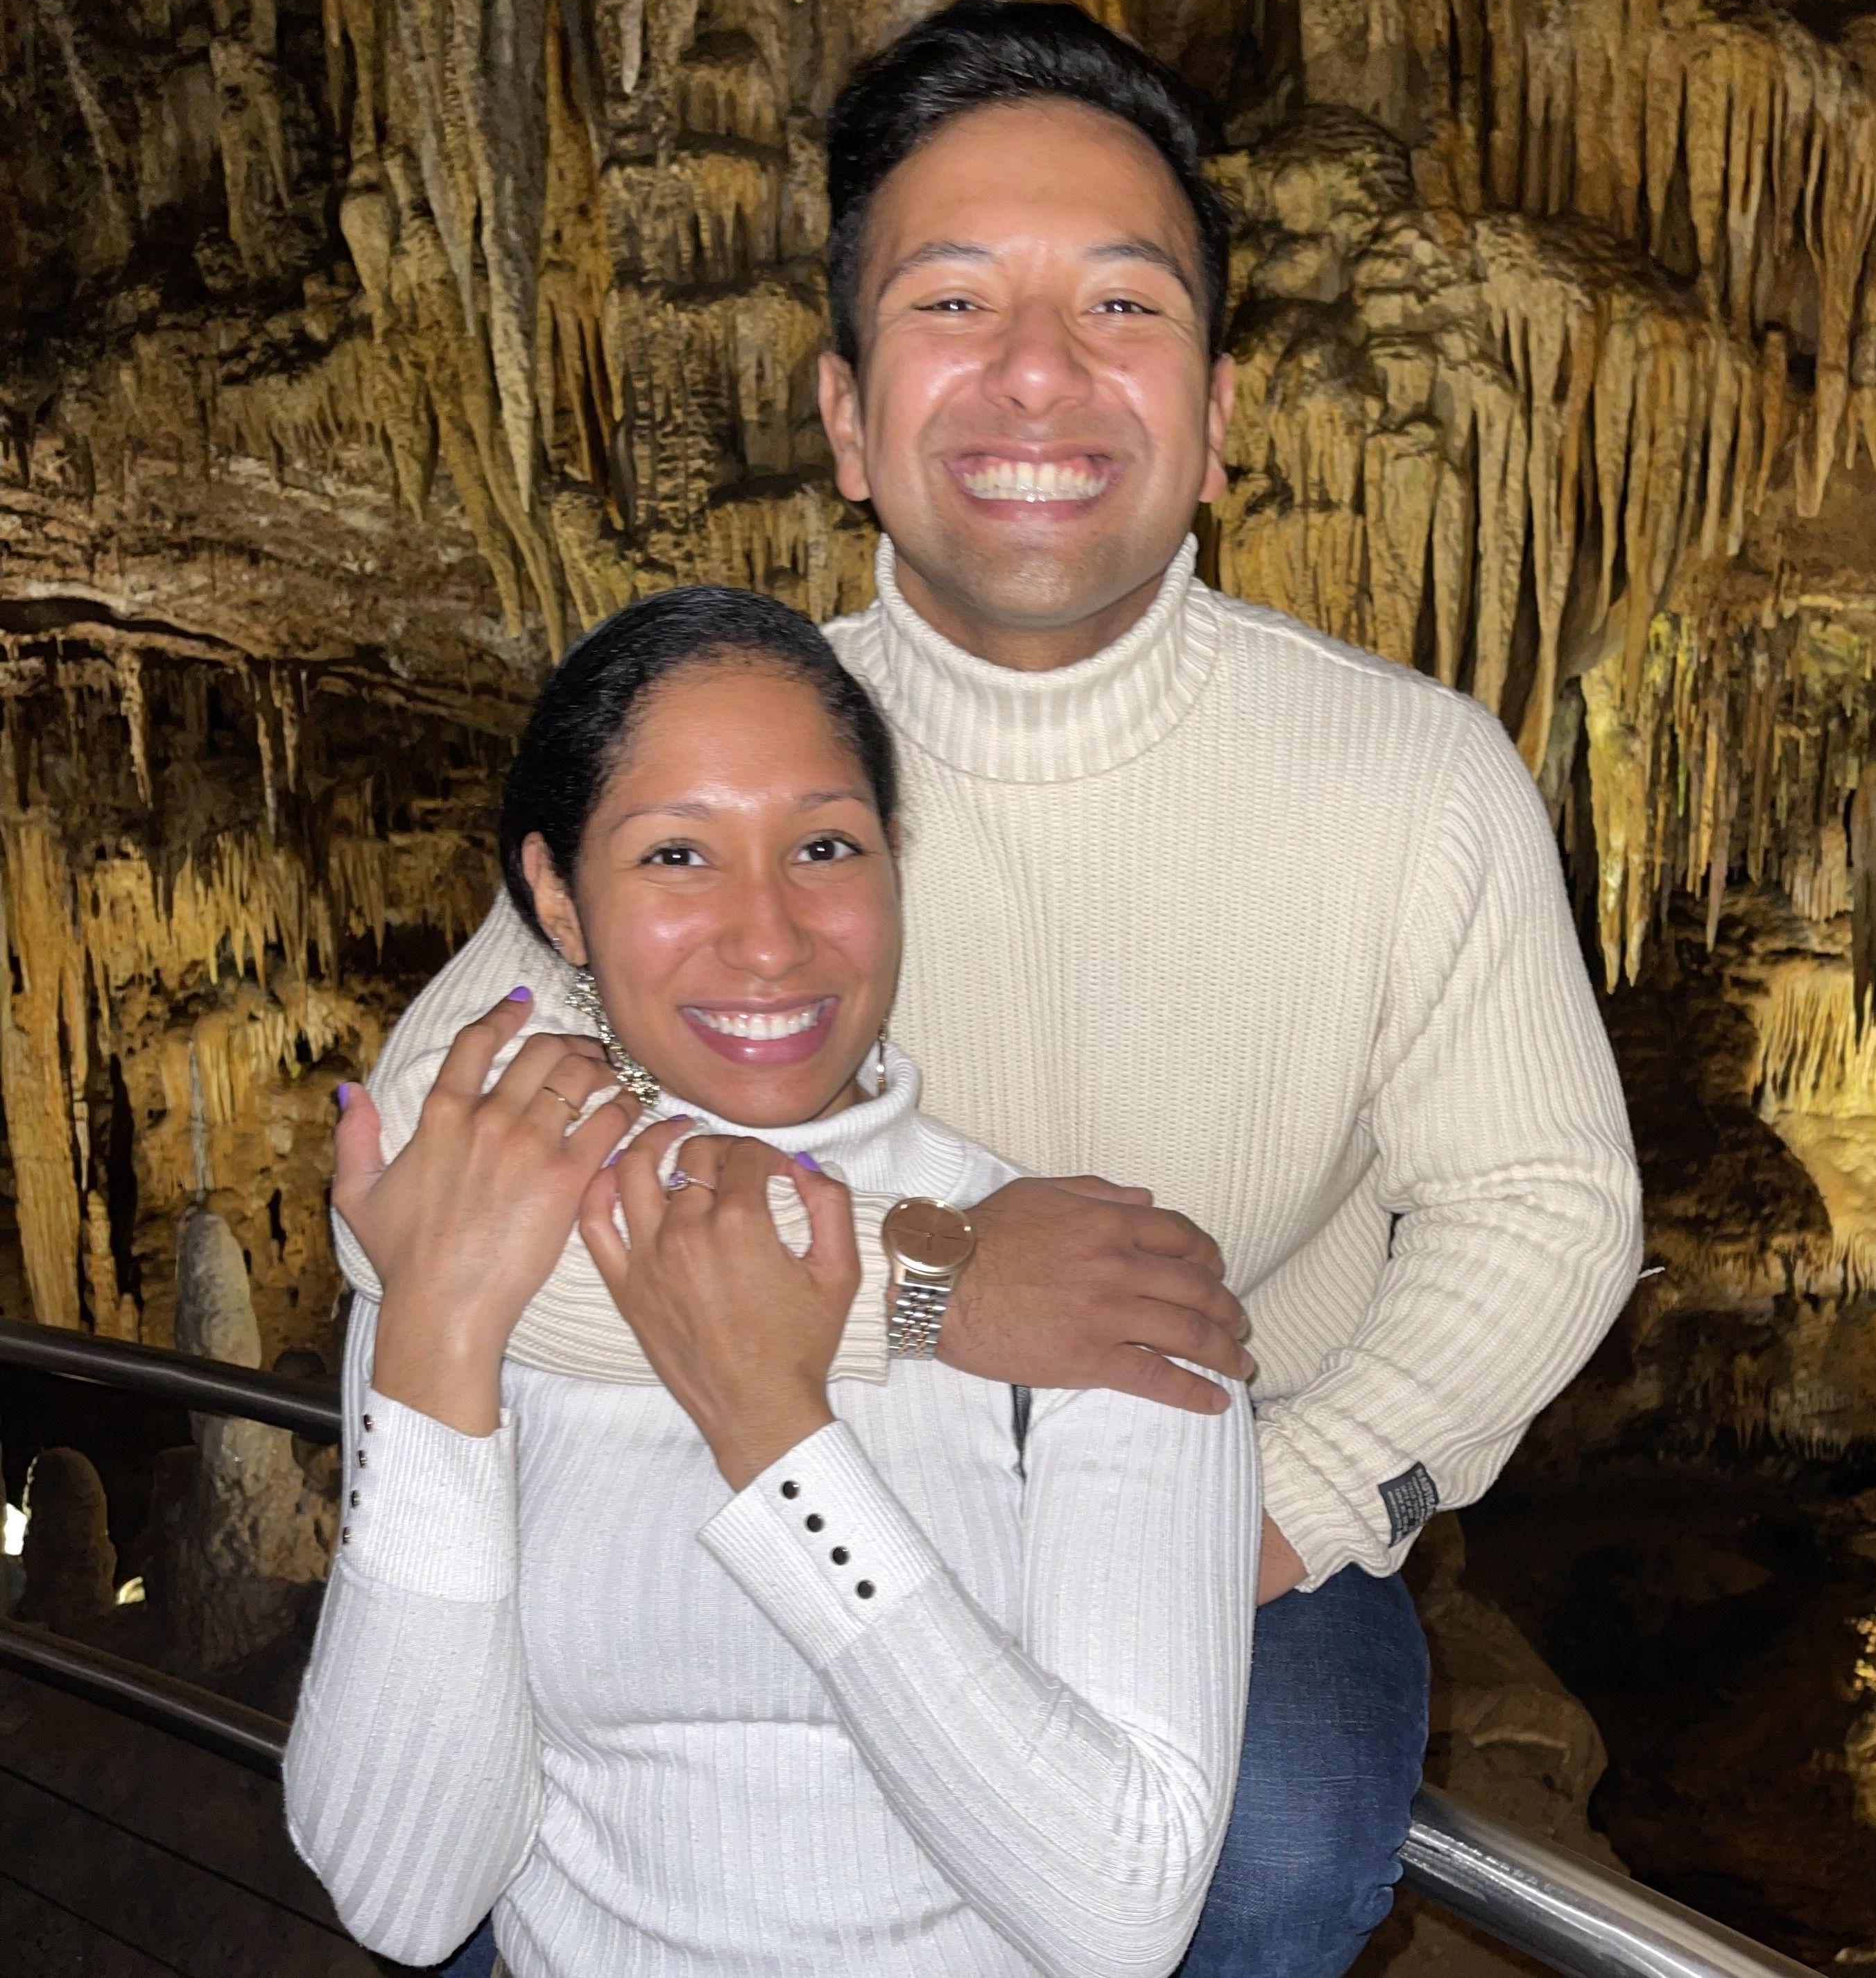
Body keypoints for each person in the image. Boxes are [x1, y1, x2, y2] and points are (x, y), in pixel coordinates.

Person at [386, 0, 1642, 1978]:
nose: (1038, 372)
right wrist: (924, 1295)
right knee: (492, 1800)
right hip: (762, 1427)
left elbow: (1541, 1205)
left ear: (1214, 419)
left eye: (1120, 307)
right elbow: (423, 1184)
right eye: (954, 304)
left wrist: (1294, 1493)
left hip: (1223, 1486)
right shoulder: (728, 752)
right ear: (844, 417)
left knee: (1267, 1840)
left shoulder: (1412, 780)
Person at [283, 590, 1258, 1975]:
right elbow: (406, 1894)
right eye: (677, 853)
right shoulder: (479, 1260)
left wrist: (773, 1429)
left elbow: (1121, 1913)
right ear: (556, 898)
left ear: (893, 862)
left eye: (822, 846)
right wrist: (435, 1333)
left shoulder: (1086, 1283)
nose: (768, 935)